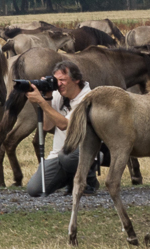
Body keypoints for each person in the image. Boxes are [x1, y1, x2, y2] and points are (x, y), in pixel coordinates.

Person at [25, 60, 100, 197]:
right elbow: (47, 126)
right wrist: (47, 97)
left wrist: (41, 101)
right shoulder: (59, 94)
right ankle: (70, 179)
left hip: (83, 152)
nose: (59, 84)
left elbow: (64, 125)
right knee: (34, 189)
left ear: (76, 80)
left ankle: (89, 182)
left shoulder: (88, 97)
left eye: (63, 80)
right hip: (60, 154)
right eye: (56, 80)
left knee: (67, 156)